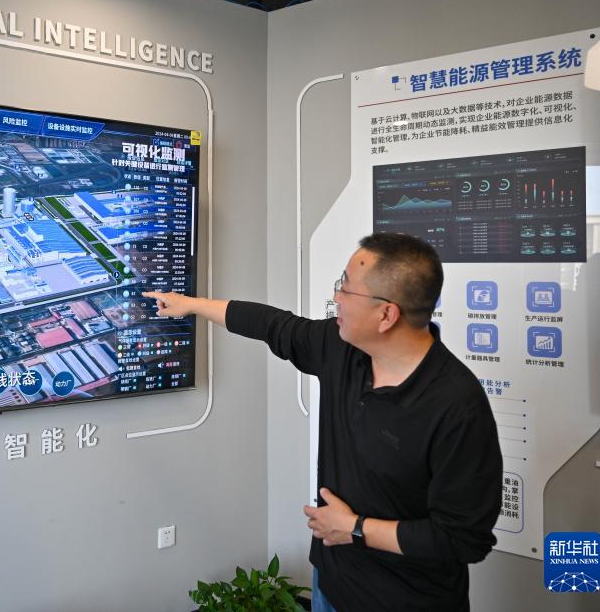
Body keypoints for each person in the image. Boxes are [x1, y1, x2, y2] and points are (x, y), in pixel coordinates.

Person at [144, 233, 503, 612]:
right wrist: (191, 305)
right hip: (330, 584)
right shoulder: (341, 348)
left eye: (346, 288)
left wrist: (355, 528)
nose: (337, 298)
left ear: (386, 315)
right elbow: (273, 325)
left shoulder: (456, 406)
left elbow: (464, 539)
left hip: (406, 601)